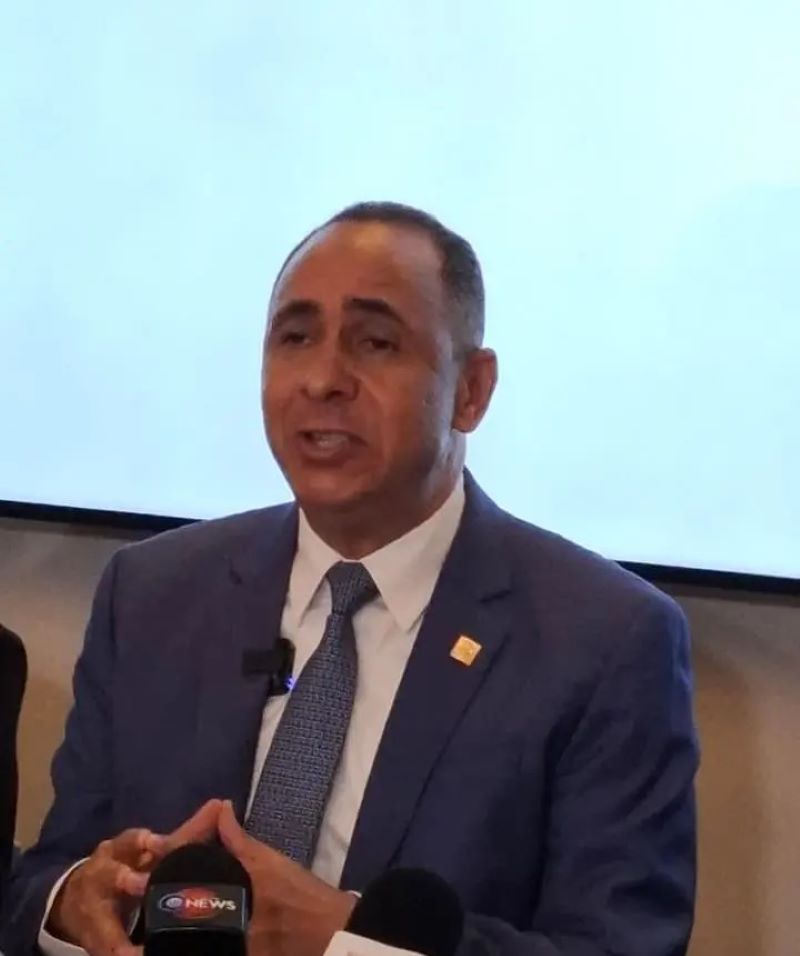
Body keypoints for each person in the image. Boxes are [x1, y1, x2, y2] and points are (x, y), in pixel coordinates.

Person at [0, 202, 699, 956]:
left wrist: (345, 939)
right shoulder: (151, 593)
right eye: (295, 338)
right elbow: (43, 876)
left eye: (376, 342)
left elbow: (622, 946)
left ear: (471, 391)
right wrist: (73, 902)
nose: (323, 379)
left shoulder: (607, 641)